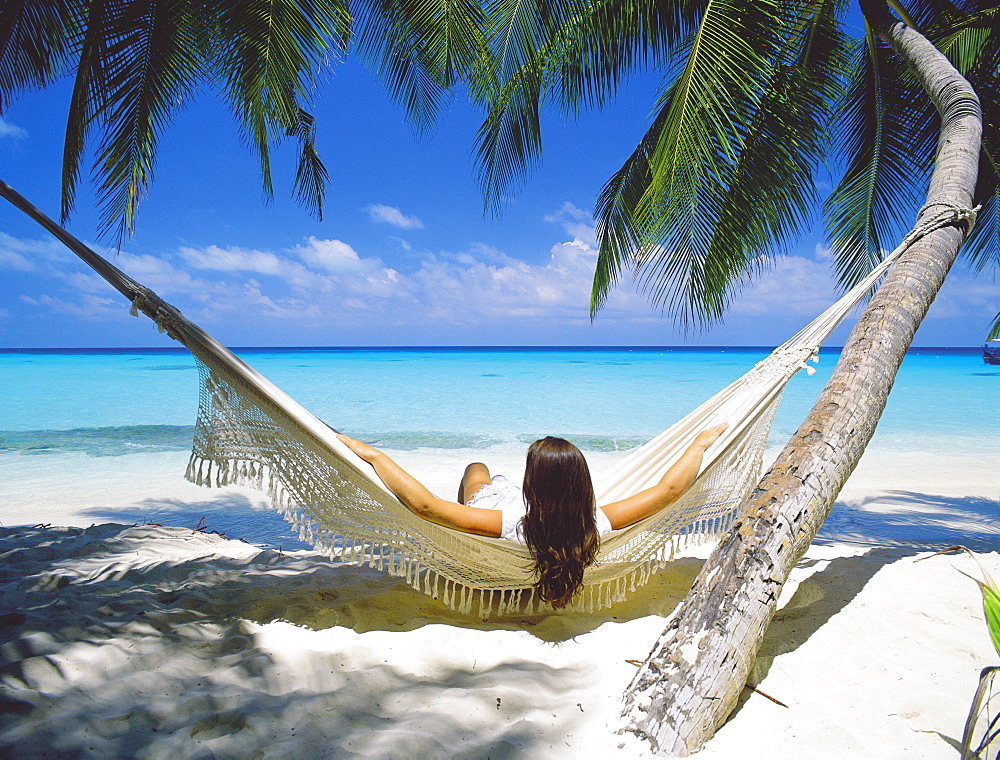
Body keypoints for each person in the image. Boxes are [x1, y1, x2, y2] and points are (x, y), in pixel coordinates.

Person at [336, 423, 728, 608]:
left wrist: (375, 456)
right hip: (527, 508)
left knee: (477, 469)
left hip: (493, 508)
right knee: (497, 478)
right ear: (581, 483)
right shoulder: (593, 523)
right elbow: (668, 492)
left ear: (534, 486)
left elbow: (424, 507)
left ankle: (475, 530)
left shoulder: (508, 526)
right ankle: (505, 482)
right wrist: (699, 444)